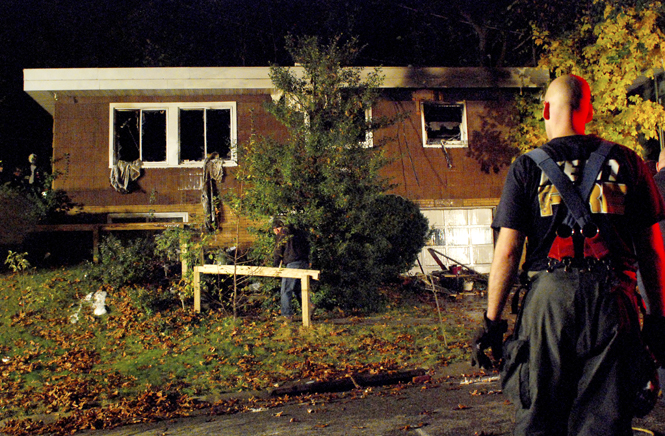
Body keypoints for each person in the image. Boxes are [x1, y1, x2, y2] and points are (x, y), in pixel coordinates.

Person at [473, 74, 665, 435]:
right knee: (605, 422)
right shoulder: (629, 162)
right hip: (612, 302)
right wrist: (657, 318)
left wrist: (492, 322)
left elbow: (508, 250)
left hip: (549, 302)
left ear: (546, 109)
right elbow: (652, 250)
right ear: (589, 111)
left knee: (541, 416)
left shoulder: (527, 167)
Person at [272, 217, 310, 319]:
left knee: (285, 290)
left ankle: (286, 315)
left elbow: (278, 251)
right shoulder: (298, 232)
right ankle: (309, 307)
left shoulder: (282, 234)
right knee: (298, 289)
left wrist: (275, 266)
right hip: (304, 262)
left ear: (276, 229)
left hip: (293, 264)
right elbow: (308, 245)